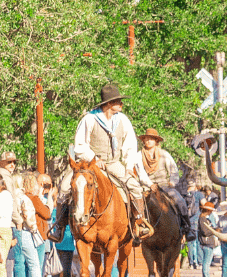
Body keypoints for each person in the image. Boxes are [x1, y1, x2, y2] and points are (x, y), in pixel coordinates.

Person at [51, 83, 153, 243]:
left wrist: (128, 166)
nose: (121, 104)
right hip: (87, 164)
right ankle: (59, 227)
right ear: (108, 104)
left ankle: (139, 223)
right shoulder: (89, 119)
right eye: (118, 101)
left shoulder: (123, 120)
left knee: (135, 186)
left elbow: (130, 145)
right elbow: (80, 145)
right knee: (64, 187)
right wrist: (94, 159)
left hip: (113, 162)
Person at [138, 128, 192, 236]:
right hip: (146, 185)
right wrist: (150, 184)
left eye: (151, 139)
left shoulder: (164, 154)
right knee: (136, 201)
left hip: (164, 184)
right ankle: (137, 227)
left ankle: (186, 226)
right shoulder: (138, 155)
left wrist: (172, 181)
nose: (148, 141)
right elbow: (140, 172)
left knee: (179, 200)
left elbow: (173, 169)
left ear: (156, 141)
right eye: (146, 139)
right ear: (143, 140)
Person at [196, 199, 219, 277]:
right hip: (207, 243)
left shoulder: (204, 219)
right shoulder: (202, 219)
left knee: (207, 263)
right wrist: (214, 231)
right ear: (208, 210)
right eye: (211, 211)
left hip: (208, 243)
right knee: (206, 264)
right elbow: (205, 232)